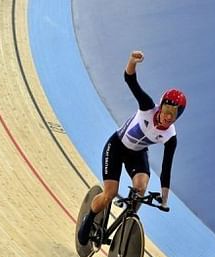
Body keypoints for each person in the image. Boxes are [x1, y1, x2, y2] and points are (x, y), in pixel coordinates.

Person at [78, 50, 187, 245]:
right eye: (166, 110)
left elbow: (166, 169)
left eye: (173, 113)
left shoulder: (170, 136)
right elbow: (130, 80)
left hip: (137, 155)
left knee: (141, 187)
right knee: (110, 193)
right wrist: (132, 62)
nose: (168, 116)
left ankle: (126, 222)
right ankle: (89, 217)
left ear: (177, 116)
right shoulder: (147, 106)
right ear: (160, 107)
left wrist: (164, 200)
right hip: (117, 147)